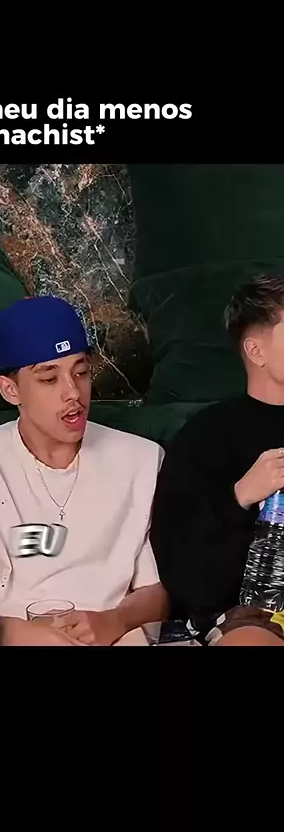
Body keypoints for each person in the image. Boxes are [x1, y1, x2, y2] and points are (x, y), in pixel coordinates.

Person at [0, 295, 169, 646]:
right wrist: (21, 634)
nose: (73, 393)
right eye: (49, 379)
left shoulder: (142, 460)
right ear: (10, 390)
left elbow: (158, 591)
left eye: (81, 372)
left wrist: (114, 621)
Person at [150, 272, 284, 641]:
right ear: (256, 351)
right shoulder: (205, 437)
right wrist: (241, 495)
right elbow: (184, 576)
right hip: (253, 615)